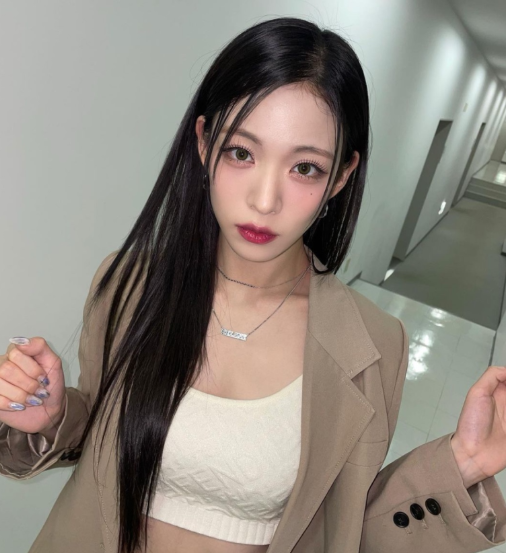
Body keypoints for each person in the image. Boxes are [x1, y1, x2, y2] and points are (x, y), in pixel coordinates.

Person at [1, 15, 506, 553]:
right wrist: (53, 417)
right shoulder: (127, 283)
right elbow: (96, 440)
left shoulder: (375, 346)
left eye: (305, 168)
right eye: (241, 153)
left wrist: (462, 464)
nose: (265, 201)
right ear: (204, 143)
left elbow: (339, 533)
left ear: (340, 176)